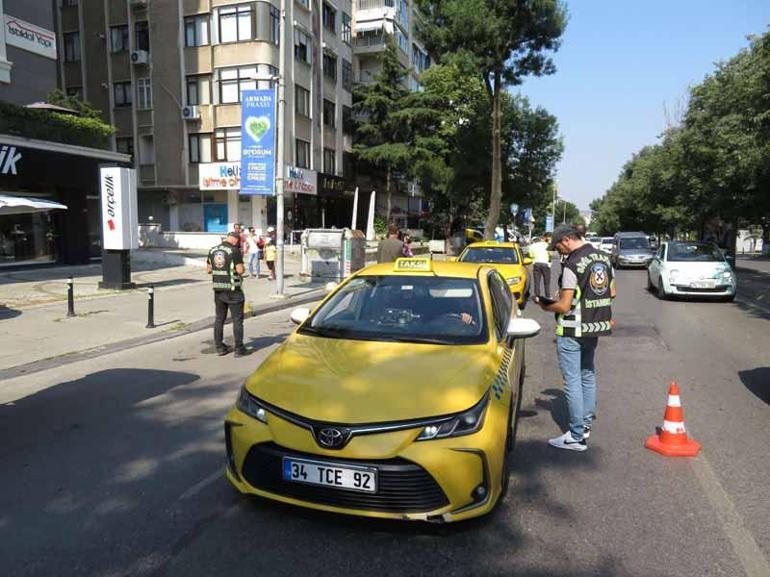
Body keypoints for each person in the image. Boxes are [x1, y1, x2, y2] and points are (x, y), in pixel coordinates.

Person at [535, 223, 615, 451]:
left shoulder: (572, 264)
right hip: (595, 325)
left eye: (559, 246)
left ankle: (576, 436)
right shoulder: (604, 257)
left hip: (572, 329)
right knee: (587, 375)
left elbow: (564, 305)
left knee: (572, 381)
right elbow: (612, 291)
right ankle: (586, 424)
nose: (559, 251)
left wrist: (543, 305)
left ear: (567, 239)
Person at [207, 231, 249, 357]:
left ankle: (220, 347)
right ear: (235, 240)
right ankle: (239, 349)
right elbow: (240, 270)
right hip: (233, 290)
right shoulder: (234, 251)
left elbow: (208, 270)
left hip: (218, 290)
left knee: (219, 319)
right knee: (237, 320)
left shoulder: (212, 250)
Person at [529, 234, 552, 298]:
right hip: (545, 264)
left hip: (536, 264)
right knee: (547, 281)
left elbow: (531, 256)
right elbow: (550, 254)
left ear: (534, 241)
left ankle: (537, 296)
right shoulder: (546, 245)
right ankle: (548, 296)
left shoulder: (531, 246)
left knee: (537, 281)